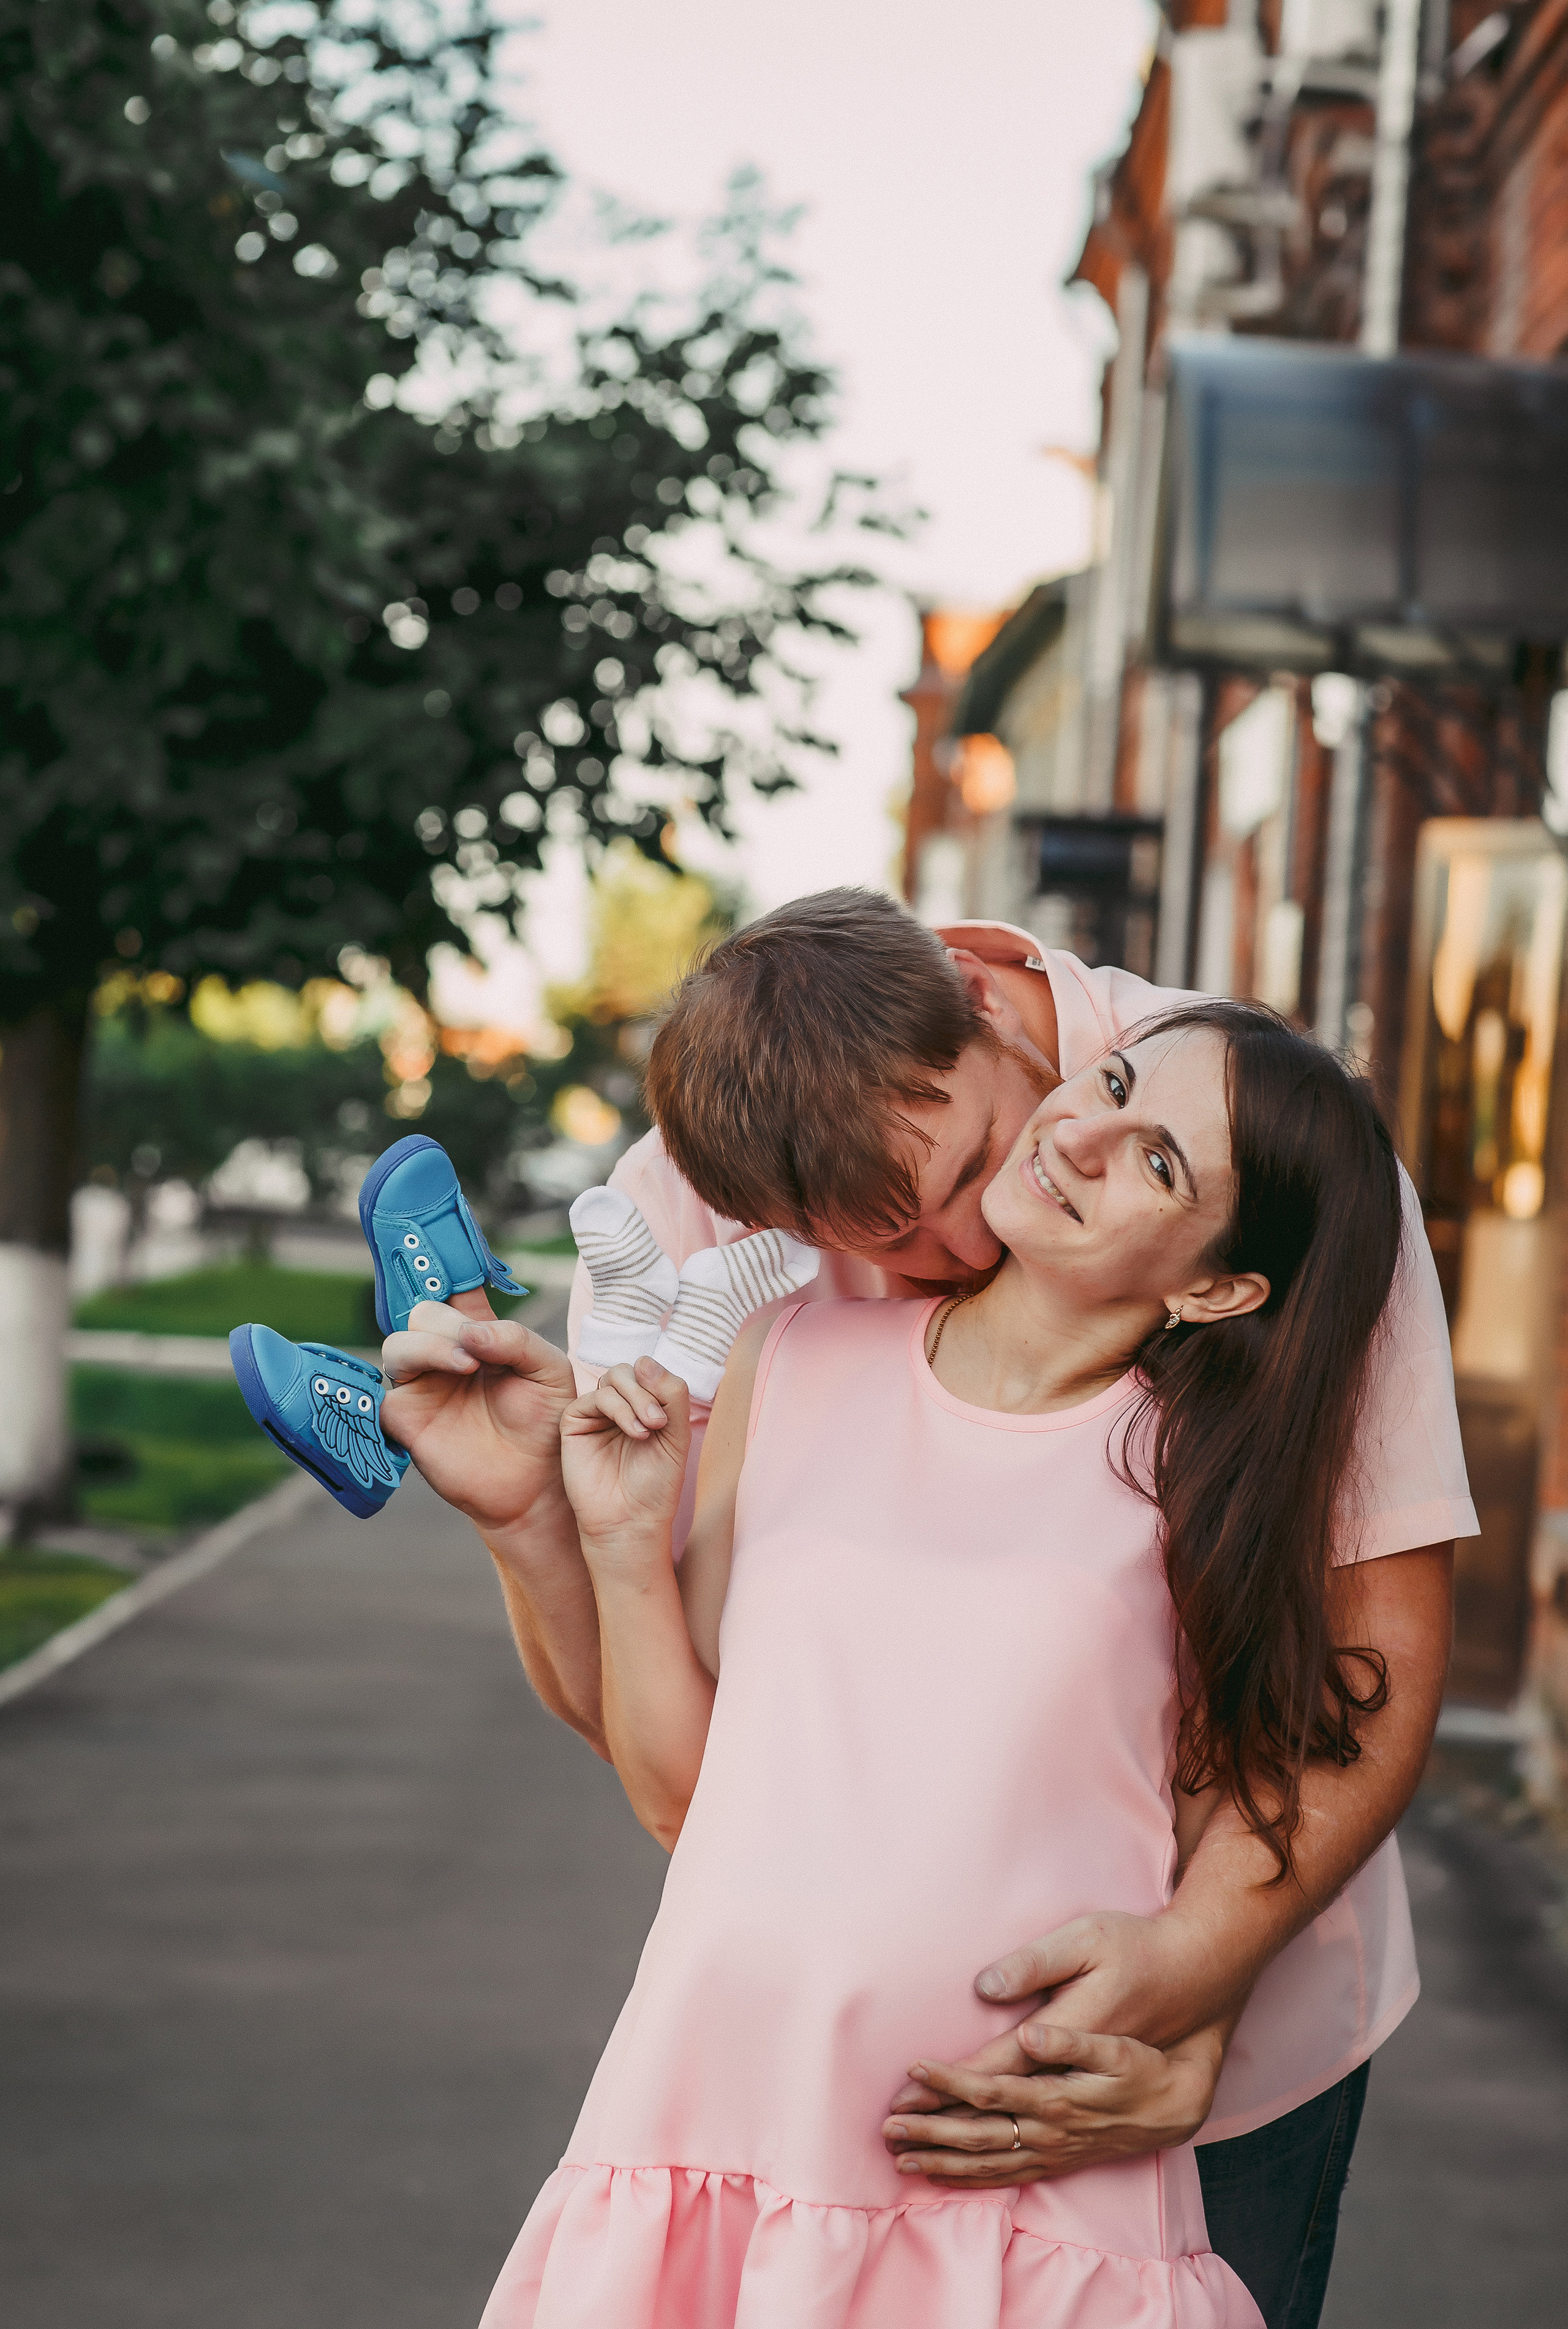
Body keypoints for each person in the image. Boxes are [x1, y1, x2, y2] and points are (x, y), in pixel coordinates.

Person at [381, 892, 1472, 2328]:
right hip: (752, 2117)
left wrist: (1190, 2003)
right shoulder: (705, 1212)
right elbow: (686, 1755)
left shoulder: (1264, 1138)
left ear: (976, 997)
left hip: (1177, 2086)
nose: (956, 1254)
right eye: (870, 1239)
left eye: (957, 1174)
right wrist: (538, 1523)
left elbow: (1355, 1676)